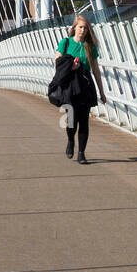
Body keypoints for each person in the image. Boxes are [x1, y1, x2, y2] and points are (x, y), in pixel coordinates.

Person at [54, 16, 106, 164]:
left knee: (84, 121)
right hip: (70, 85)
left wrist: (102, 92)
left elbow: (95, 70)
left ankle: (81, 153)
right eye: (80, 27)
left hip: (85, 85)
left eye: (85, 28)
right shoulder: (66, 42)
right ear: (74, 28)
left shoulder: (90, 46)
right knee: (71, 120)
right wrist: (71, 67)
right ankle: (71, 140)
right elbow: (57, 63)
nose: (83, 30)